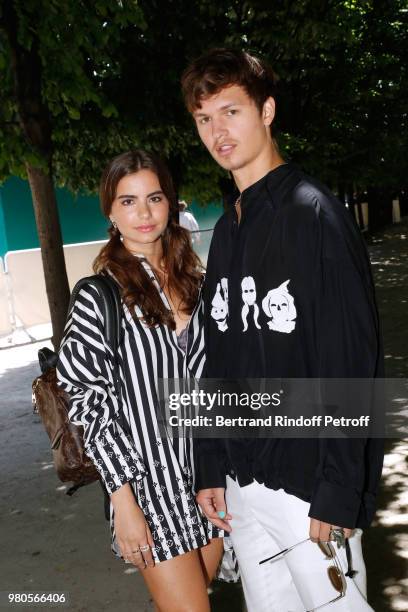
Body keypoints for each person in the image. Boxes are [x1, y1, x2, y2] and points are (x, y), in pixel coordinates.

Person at [181, 48, 384, 611]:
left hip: (308, 489)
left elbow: (351, 361)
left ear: (266, 110)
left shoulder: (315, 213)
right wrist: (210, 464)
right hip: (243, 488)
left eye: (230, 111)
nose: (217, 131)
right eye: (203, 118)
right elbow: (218, 364)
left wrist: (340, 489)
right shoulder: (226, 233)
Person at [56, 150, 223, 612]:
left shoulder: (196, 281)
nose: (144, 213)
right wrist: (122, 500)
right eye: (128, 201)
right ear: (110, 211)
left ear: (170, 202)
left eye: (153, 198)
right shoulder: (99, 295)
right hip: (148, 487)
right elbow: (88, 402)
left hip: (208, 478)